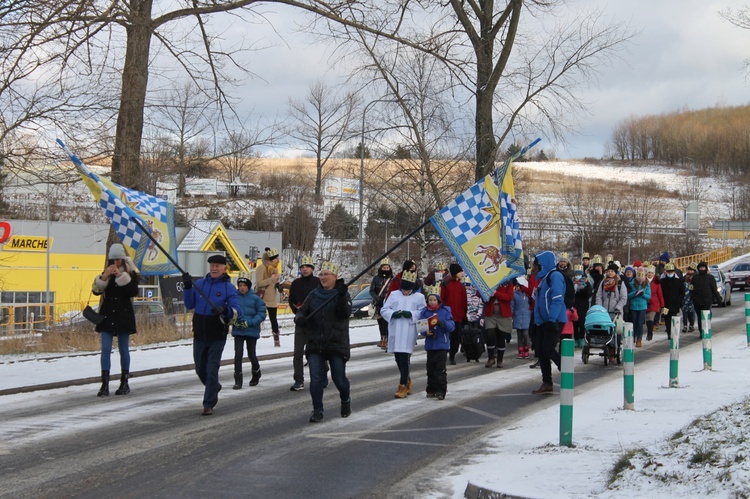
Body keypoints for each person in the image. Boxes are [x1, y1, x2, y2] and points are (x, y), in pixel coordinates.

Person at [183, 254, 241, 416]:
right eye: (212, 265)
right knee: (200, 369)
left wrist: (225, 310)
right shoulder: (199, 284)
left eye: (217, 266)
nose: (214, 268)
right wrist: (188, 288)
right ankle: (214, 386)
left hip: (217, 335)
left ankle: (208, 403)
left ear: (224, 268)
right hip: (200, 335)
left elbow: (237, 310)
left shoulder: (228, 288)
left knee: (212, 368)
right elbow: (189, 304)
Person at [294, 261, 352, 423]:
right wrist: (300, 319)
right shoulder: (314, 295)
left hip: (336, 343)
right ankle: (317, 410)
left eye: (327, 274)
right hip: (315, 343)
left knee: (339, 378)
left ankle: (345, 399)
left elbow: (344, 313)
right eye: (321, 274)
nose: (323, 277)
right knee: (316, 379)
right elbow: (301, 311)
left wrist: (341, 296)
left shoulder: (343, 294)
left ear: (335, 277)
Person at [92, 243, 139, 397]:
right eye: (113, 260)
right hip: (108, 316)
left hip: (124, 315)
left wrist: (120, 276)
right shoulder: (107, 273)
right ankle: (104, 384)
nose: (115, 263)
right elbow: (96, 291)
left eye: (118, 260)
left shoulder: (130, 273)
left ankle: (124, 382)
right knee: (105, 349)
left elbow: (132, 291)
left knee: (123, 349)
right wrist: (104, 277)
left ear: (123, 260)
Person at [381, 271, 426, 398]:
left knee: (404, 358)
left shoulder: (419, 297)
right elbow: (385, 309)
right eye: (404, 290)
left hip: (408, 330)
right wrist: (392, 314)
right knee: (397, 357)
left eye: (409, 290)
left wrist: (411, 314)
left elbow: (423, 311)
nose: (406, 292)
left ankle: (402, 386)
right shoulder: (394, 295)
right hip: (396, 329)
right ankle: (407, 379)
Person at [531, 251, 566, 395]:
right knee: (541, 351)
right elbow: (540, 301)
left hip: (554, 319)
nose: (536, 267)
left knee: (548, 348)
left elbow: (557, 299)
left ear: (545, 263)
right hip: (543, 321)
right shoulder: (544, 279)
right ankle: (547, 382)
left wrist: (552, 319)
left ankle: (566, 369)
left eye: (538, 264)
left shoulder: (555, 276)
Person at [287, 255, 320, 391]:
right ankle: (299, 380)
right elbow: (291, 300)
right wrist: (297, 312)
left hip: (316, 323)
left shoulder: (318, 282)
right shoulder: (296, 283)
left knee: (318, 351)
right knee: (298, 352)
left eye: (307, 266)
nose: (305, 269)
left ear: (312, 268)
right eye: (302, 267)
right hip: (301, 322)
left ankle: (322, 373)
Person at [418, 285, 455, 400]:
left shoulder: (445, 311)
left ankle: (441, 390)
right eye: (430, 300)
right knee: (430, 369)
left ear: (438, 300)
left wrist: (442, 323)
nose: (432, 302)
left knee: (440, 369)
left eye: (434, 300)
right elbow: (421, 327)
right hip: (430, 345)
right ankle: (431, 389)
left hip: (441, 344)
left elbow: (452, 327)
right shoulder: (424, 312)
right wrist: (425, 333)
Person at [231, 272, 267, 389]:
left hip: (251, 330)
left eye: (244, 285)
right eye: (240, 285)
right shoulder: (234, 298)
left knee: (251, 353)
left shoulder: (256, 299)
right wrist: (234, 321)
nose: (242, 288)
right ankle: (238, 379)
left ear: (248, 286)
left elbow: (261, 314)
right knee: (238, 354)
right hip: (238, 330)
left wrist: (250, 322)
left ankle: (256, 372)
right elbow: (230, 312)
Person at [440, 263, 468, 365]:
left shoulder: (461, 286)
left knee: (456, 338)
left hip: (458, 316)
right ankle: (444, 354)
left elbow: (464, 301)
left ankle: (452, 355)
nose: (462, 273)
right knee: (447, 337)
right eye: (460, 272)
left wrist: (465, 315)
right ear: (455, 273)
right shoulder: (445, 284)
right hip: (448, 316)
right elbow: (442, 299)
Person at [483, 280, 514, 368]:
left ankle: (500, 359)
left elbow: (509, 297)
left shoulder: (508, 282)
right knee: (490, 333)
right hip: (490, 312)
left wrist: (496, 293)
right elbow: (480, 294)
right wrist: (487, 294)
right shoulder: (489, 280)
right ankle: (491, 357)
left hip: (503, 312)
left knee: (501, 336)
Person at [255, 247, 282, 347]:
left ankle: (276, 340)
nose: (278, 260)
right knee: (259, 318)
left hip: (272, 299)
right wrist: (271, 279)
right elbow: (259, 283)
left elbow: (274, 282)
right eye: (276, 259)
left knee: (273, 319)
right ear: (270, 260)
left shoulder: (274, 269)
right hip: (263, 298)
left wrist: (278, 284)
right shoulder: (261, 268)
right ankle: (253, 337)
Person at [691, 261, 723, 334]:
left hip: (706, 301)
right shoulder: (695, 278)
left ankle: (706, 331)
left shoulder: (710, 278)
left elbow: (714, 289)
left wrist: (719, 299)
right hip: (697, 301)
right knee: (699, 317)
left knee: (705, 317)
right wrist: (692, 297)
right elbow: (691, 288)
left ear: (706, 268)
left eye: (703, 267)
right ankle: (701, 331)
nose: (702, 269)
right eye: (700, 268)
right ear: (698, 268)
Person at [369, 258, 393, 349]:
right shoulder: (376, 278)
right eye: (384, 267)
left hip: (389, 303)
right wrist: (377, 299)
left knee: (387, 322)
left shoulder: (392, 279)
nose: (386, 269)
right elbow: (371, 290)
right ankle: (382, 338)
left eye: (387, 267)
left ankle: (387, 339)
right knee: (380, 322)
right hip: (379, 303)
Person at [628, 266, 652, 347]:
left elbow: (649, 296)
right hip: (633, 306)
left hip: (642, 306)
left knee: (640, 323)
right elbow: (628, 295)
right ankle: (633, 336)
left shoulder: (647, 284)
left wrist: (643, 294)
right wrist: (634, 293)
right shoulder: (632, 283)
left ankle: (639, 338)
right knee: (634, 322)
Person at [660, 263, 684, 340]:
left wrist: (679, 301)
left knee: (673, 318)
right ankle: (669, 334)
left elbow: (682, 292)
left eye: (671, 272)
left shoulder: (678, 281)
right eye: (668, 272)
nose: (670, 273)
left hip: (674, 304)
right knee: (667, 319)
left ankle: (674, 332)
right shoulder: (662, 281)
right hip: (665, 304)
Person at [572, 264, 592, 348]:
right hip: (574, 305)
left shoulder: (586, 283)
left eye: (579, 274)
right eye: (576, 275)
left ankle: (581, 338)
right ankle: (576, 339)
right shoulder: (572, 282)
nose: (577, 276)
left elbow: (589, 293)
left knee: (582, 322)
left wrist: (581, 290)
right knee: (574, 322)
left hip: (583, 305)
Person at [511, 277, 532, 359]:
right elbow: (512, 305)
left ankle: (526, 348)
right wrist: (512, 314)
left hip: (527, 316)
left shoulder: (528, 295)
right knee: (519, 335)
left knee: (525, 334)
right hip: (518, 317)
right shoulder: (515, 294)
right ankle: (520, 350)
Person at [646, 266, 665, 341]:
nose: (650, 274)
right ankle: (649, 330)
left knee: (651, 318)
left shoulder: (656, 282)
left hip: (654, 303)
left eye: (651, 273)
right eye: (649, 273)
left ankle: (650, 333)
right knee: (647, 319)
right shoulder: (644, 281)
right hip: (646, 303)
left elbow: (660, 294)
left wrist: (662, 304)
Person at [681, 262, 697, 333]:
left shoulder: (696, 277)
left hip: (692, 298)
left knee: (691, 312)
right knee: (684, 312)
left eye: (691, 270)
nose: (690, 271)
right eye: (689, 270)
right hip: (685, 298)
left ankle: (691, 325)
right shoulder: (684, 277)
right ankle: (685, 325)